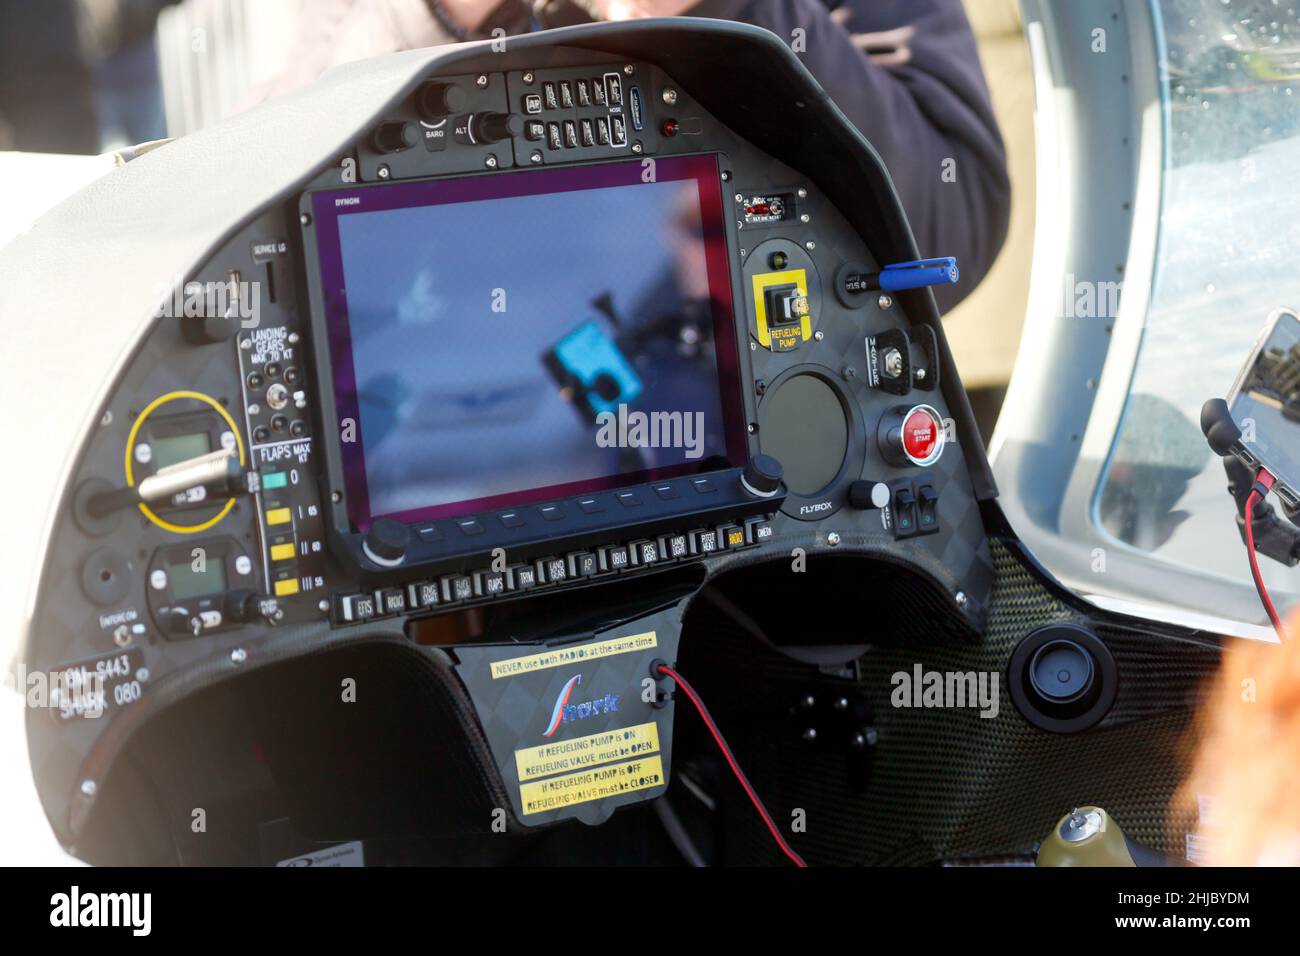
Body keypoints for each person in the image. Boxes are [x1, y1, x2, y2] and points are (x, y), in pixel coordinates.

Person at [255, 0, 1010, 310]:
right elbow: (266, 229)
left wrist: (717, 12)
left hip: (796, 547)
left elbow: (947, 229)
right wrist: (464, 14)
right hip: (478, 515)